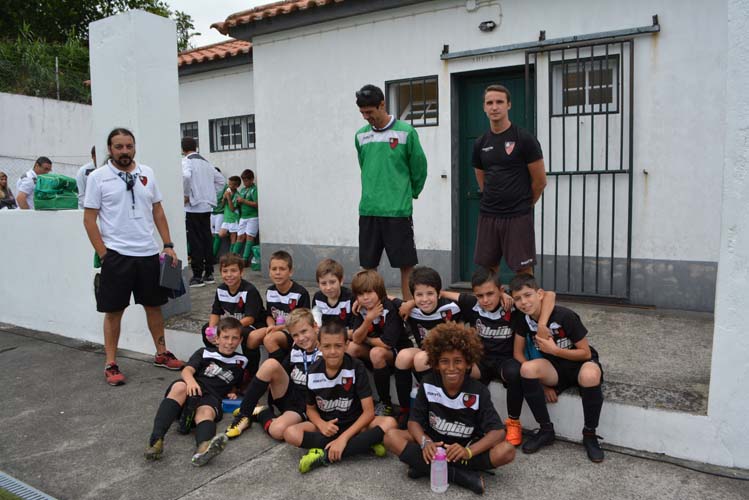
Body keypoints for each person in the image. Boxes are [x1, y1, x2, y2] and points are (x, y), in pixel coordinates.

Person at [83, 127, 185, 386]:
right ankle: (111, 363)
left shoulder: (146, 173)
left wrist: (168, 244)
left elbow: (158, 210)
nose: (125, 151)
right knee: (114, 311)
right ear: (110, 149)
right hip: (117, 255)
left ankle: (161, 353)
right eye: (119, 147)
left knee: (154, 306)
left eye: (129, 146)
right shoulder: (98, 177)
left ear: (134, 147)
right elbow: (89, 219)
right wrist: (104, 254)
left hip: (148, 254)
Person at [383, 322, 516, 495]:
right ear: (436, 364)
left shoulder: (478, 391)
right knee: (390, 437)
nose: (451, 368)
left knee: (507, 451)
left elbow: (498, 432)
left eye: (458, 361)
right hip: (434, 445)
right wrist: (425, 442)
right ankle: (459, 476)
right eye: (444, 361)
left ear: (468, 363)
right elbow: (413, 422)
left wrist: (468, 452)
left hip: (463, 450)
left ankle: (424, 467)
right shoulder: (428, 383)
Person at [441, 267, 555, 447]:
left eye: (490, 294)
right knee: (458, 368)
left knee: (514, 372)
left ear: (501, 290)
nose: (485, 300)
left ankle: (513, 423)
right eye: (480, 296)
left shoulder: (512, 306)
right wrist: (409, 303)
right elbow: (441, 293)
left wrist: (541, 324)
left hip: (505, 361)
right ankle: (463, 420)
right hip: (481, 360)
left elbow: (549, 295)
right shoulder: (472, 304)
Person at [510, 273, 605, 462]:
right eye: (518, 298)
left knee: (590, 376)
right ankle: (546, 430)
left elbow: (585, 353)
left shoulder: (564, 316)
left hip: (579, 364)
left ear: (539, 294)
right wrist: (542, 384)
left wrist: (555, 350)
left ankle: (590, 435)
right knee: (527, 369)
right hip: (555, 368)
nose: (524, 302)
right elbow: (518, 354)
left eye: (528, 295)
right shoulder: (523, 319)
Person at [282, 320, 397, 473]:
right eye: (327, 346)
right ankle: (363, 444)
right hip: (328, 426)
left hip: (355, 423)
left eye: (338, 346)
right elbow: (310, 409)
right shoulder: (313, 371)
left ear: (346, 345)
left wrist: (343, 439)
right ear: (319, 346)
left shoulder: (356, 367)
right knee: (290, 433)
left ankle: (324, 455)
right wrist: (321, 424)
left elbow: (369, 412)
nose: (332, 351)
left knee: (390, 423)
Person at [355, 84, 428, 300]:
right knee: (369, 266)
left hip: (397, 211)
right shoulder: (360, 136)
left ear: (382, 105)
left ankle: (408, 309)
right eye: (362, 113)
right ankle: (377, 309)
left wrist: (409, 193)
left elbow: (419, 168)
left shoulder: (406, 132)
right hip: (368, 210)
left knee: (406, 264)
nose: (366, 117)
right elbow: (365, 166)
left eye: (370, 111)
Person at [144, 317, 247, 466]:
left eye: (234, 338)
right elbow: (187, 371)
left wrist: (233, 391)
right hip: (191, 389)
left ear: (240, 340)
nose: (230, 342)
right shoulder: (204, 352)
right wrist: (191, 382)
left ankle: (203, 450)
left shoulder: (242, 361)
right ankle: (156, 441)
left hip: (211, 397)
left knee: (206, 412)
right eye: (225, 337)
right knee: (180, 387)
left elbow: (236, 382)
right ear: (217, 338)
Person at [472, 84, 547, 276]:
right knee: (487, 272)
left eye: (499, 102)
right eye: (490, 103)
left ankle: (526, 298)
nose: (494, 107)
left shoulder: (525, 139)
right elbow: (481, 178)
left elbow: (540, 181)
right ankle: (492, 298)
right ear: (484, 107)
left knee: (523, 271)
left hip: (518, 216)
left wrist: (524, 204)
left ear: (509, 105)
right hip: (489, 214)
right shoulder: (480, 143)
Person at [225, 308, 321, 440]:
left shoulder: (327, 349)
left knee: (277, 431)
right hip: (291, 396)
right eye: (295, 335)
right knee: (271, 364)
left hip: (312, 404)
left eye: (304, 331)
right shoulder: (297, 348)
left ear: (315, 327)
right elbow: (282, 369)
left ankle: (262, 413)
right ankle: (244, 414)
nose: (301, 338)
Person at [392, 266, 461, 426]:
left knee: (421, 358)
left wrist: (504, 296)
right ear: (413, 296)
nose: (425, 299)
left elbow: (475, 301)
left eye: (430, 293)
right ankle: (406, 410)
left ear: (438, 293)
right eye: (419, 295)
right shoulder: (411, 309)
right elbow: (384, 298)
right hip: (425, 354)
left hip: (449, 356)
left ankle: (434, 408)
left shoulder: (452, 308)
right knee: (403, 357)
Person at [348, 269, 412, 419]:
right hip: (374, 352)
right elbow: (356, 339)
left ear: (379, 291)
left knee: (376, 352)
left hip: (397, 352)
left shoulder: (389, 308)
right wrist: (368, 320)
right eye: (361, 294)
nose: (365, 298)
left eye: (369, 292)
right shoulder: (361, 309)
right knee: (351, 348)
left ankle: (385, 402)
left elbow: (386, 343)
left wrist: (366, 339)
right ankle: (353, 395)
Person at [201, 253, 264, 380]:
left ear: (241, 272)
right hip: (232, 324)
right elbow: (215, 312)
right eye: (225, 271)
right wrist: (212, 330)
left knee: (245, 334)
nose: (229, 275)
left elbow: (250, 318)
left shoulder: (249, 290)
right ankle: (217, 362)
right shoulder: (221, 290)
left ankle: (250, 373)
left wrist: (229, 329)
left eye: (233, 271)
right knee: (206, 329)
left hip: (252, 325)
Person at [246, 250, 310, 363]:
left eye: (282, 269)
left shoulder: (300, 293)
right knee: (253, 337)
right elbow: (269, 315)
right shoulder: (270, 291)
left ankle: (281, 368)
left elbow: (303, 321)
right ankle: (251, 370)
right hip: (275, 328)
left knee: (269, 340)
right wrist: (271, 326)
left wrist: (278, 328)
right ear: (269, 272)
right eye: (274, 269)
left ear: (290, 272)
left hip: (292, 330)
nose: (277, 272)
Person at [182, 137, 226, 287]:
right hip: (206, 206)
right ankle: (209, 273)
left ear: (182, 149)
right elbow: (221, 181)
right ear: (196, 147)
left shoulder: (186, 161)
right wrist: (209, 194)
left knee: (195, 242)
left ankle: (197, 276)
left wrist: (186, 195)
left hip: (193, 206)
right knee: (207, 240)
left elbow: (186, 176)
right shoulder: (207, 163)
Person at [312, 258, 355, 329]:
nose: (328, 287)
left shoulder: (351, 298)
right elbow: (316, 325)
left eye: (332, 282)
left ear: (341, 281)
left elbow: (354, 330)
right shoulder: (318, 298)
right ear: (318, 284)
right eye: (323, 283)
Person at [236, 169, 259, 264]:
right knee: (240, 237)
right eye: (243, 181)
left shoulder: (254, 189)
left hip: (252, 217)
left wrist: (243, 201)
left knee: (250, 237)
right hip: (243, 217)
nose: (244, 183)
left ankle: (245, 259)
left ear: (252, 179)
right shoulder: (242, 190)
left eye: (246, 180)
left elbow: (257, 204)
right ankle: (233, 257)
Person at [217, 176, 241, 259]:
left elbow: (232, 209)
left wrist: (228, 198)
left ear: (237, 186)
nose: (230, 186)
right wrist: (224, 198)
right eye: (229, 184)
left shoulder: (237, 195)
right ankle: (232, 255)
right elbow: (222, 205)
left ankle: (232, 256)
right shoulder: (228, 191)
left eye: (232, 184)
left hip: (233, 218)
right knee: (221, 234)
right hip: (226, 218)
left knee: (233, 239)